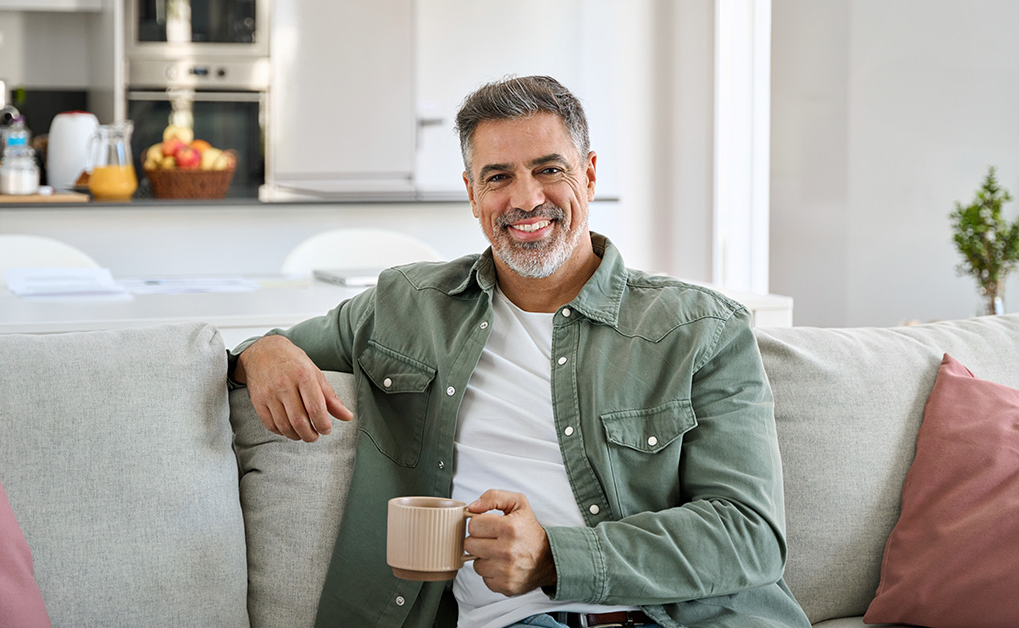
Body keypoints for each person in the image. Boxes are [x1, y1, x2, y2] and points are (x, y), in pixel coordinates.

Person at [229, 75, 811, 628]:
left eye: (548, 169)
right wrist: (263, 350)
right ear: (471, 193)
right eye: (498, 176)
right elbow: (252, 353)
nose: (526, 199)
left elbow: (750, 535)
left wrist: (556, 556)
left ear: (588, 174)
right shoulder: (404, 307)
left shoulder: (702, 329)